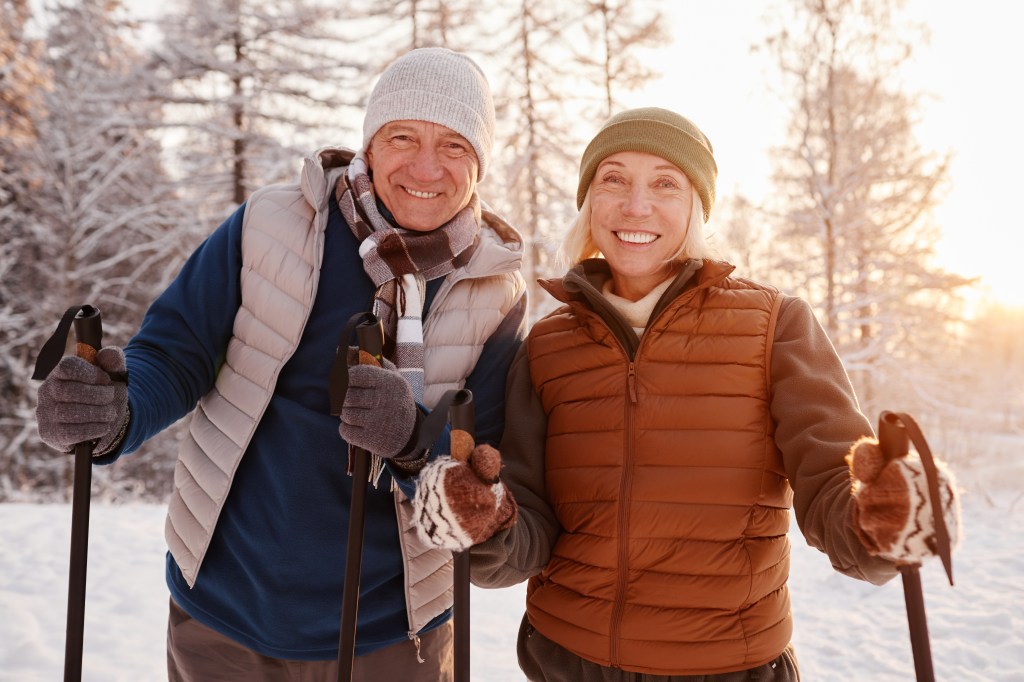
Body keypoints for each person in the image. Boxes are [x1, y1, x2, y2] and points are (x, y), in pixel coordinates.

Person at [410, 107, 962, 681]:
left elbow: (832, 486)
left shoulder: (775, 325)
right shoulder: (548, 345)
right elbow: (529, 525)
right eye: (614, 179)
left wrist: (882, 515)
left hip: (727, 667)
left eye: (665, 183)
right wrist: (486, 520)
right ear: (590, 202)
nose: (636, 205)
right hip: (568, 661)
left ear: (697, 205)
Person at [34, 47, 527, 681]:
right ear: (369, 146)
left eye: (455, 145)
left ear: (479, 164)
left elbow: (476, 470)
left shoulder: (494, 293)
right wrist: (114, 411)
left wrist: (408, 438)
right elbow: (177, 351)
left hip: (393, 631)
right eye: (403, 136)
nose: (426, 166)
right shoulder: (271, 225)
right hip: (222, 611)